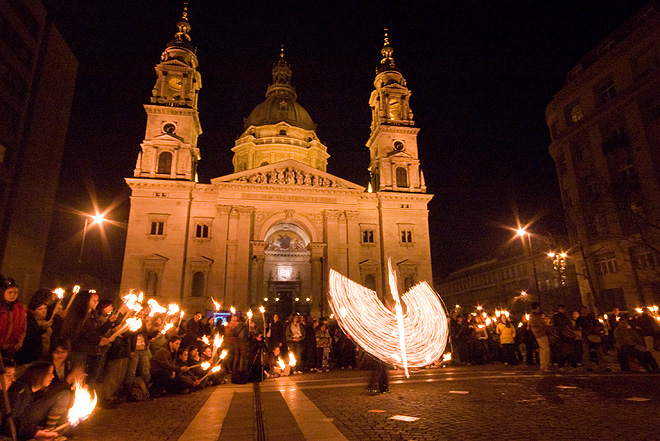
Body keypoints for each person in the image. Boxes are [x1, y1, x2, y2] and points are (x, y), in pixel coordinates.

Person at [5, 361, 70, 440]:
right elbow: (11, 420)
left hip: (23, 424)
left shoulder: (33, 392)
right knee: (64, 395)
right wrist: (34, 432)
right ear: (39, 374)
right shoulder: (22, 390)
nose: (52, 376)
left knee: (64, 395)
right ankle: (49, 432)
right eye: (49, 372)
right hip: (19, 422)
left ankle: (50, 432)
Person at [15, 290, 52, 365]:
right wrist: (42, 329)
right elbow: (30, 335)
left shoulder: (46, 320)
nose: (43, 311)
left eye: (45, 308)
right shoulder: (29, 320)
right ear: (32, 311)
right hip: (28, 356)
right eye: (40, 309)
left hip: (41, 354)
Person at [0, 277, 27, 359]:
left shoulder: (19, 308)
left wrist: (19, 342)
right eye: (10, 292)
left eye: (15, 292)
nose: (13, 295)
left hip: (11, 349)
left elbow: (23, 327)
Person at [529, 302, 551, 372]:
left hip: (539, 333)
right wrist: (547, 328)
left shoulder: (533, 316)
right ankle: (544, 365)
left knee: (543, 349)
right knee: (545, 349)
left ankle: (544, 365)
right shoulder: (535, 316)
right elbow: (541, 324)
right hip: (540, 333)